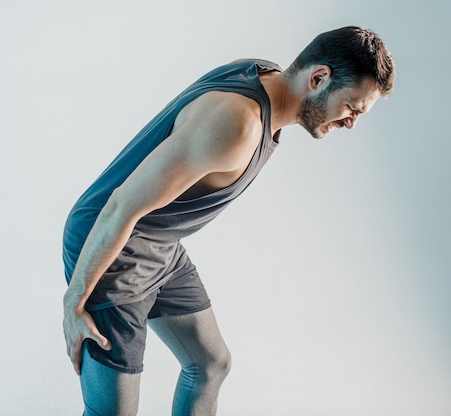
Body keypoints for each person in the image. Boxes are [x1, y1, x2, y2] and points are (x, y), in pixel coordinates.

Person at [62, 26, 395, 415]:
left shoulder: (260, 73)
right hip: (112, 243)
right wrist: (73, 302)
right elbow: (121, 205)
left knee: (210, 365)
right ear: (318, 78)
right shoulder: (239, 125)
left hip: (159, 245)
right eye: (351, 108)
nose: (351, 122)